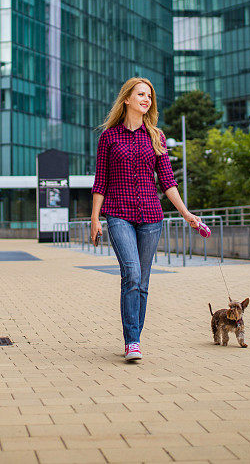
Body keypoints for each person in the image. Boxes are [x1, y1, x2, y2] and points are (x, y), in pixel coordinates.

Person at [90, 77, 201, 362]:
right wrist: (95, 218)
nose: (146, 99)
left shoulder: (156, 137)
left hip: (151, 216)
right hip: (118, 214)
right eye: (141, 94)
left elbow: (167, 181)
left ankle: (134, 337)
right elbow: (100, 181)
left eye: (149, 96)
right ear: (127, 99)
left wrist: (186, 213)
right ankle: (132, 341)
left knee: (143, 281)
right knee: (132, 274)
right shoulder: (109, 137)